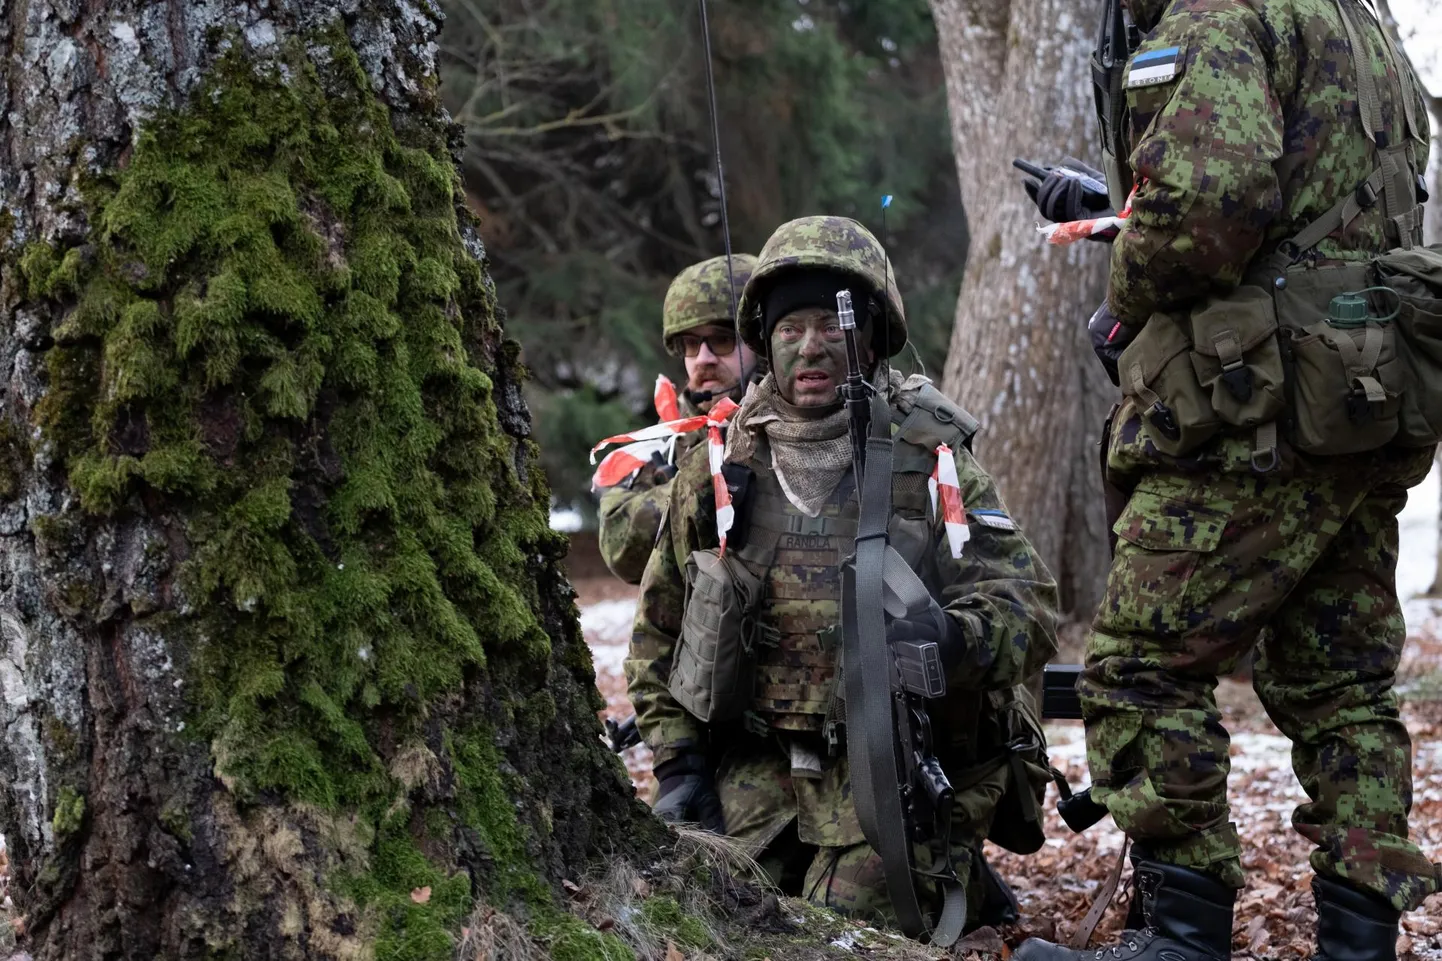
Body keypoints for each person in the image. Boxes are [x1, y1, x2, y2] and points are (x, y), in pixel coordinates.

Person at [1016, 2, 1437, 960]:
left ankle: (1182, 933)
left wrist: (1125, 290)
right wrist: (1117, 209)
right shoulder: (1360, 22)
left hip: (1259, 416)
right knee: (1343, 681)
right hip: (1361, 401)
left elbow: (1210, 210)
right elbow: (1312, 204)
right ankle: (1362, 938)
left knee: (1139, 666)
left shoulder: (1217, 15)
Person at [626, 215, 1060, 932]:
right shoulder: (720, 469)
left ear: (871, 333)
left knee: (841, 936)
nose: (812, 345)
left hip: (888, 768)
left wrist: (952, 638)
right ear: (765, 340)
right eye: (791, 326)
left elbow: (1031, 608)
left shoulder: (930, 458)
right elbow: (656, 637)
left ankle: (951, 868)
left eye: (834, 321)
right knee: (707, 923)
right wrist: (680, 770)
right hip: (759, 771)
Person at [597, 255, 760, 585]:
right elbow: (621, 549)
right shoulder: (672, 433)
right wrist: (693, 487)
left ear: (760, 342)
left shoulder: (790, 423)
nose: (703, 358)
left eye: (722, 340)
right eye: (689, 343)